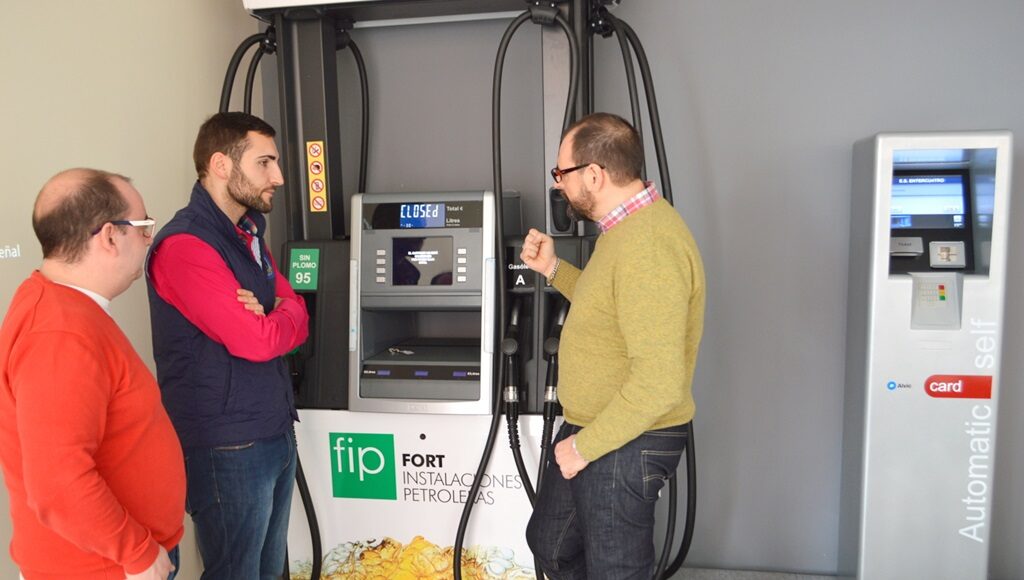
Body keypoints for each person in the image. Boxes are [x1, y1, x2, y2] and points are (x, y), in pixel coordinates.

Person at [521, 113, 706, 579]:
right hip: (597, 427)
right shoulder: (625, 231)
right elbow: (607, 304)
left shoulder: (649, 246)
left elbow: (659, 382)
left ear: (594, 175)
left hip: (627, 438)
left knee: (615, 571)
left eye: (561, 172)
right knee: (552, 544)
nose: (558, 184)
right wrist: (552, 270)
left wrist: (584, 447)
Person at [146, 112, 309, 579]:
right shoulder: (186, 247)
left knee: (270, 572)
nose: (278, 177)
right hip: (227, 447)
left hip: (273, 430)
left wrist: (277, 310)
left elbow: (298, 310)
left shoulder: (247, 234)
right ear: (221, 165)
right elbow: (258, 341)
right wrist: (278, 314)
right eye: (265, 163)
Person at [0, 168, 185, 580]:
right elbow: (57, 483)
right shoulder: (59, 334)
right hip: (104, 568)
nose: (149, 239)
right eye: (144, 226)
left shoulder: (60, 305)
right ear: (110, 236)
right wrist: (137, 552)